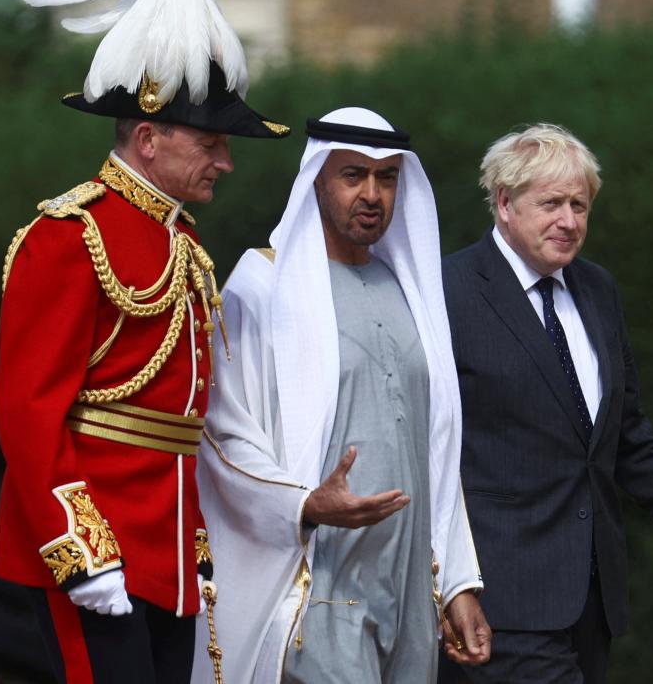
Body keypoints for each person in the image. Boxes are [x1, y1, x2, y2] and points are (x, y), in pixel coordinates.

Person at [0, 0, 289, 684]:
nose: (226, 161)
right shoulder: (67, 235)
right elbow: (28, 412)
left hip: (169, 552)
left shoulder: (179, 244)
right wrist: (79, 549)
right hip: (95, 549)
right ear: (148, 138)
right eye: (210, 143)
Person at [192, 107, 491, 684]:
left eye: (387, 178)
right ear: (317, 181)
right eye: (353, 175)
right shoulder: (262, 286)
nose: (372, 193)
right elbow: (223, 432)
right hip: (317, 586)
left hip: (407, 593)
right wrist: (302, 503)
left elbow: (438, 448)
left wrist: (456, 583)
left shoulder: (410, 291)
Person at [438, 123, 653, 684]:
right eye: (551, 204)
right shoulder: (447, 290)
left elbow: (624, 429)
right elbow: (426, 447)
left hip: (592, 599)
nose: (569, 221)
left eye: (580, 205)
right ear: (503, 203)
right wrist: (449, 583)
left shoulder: (596, 289)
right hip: (500, 599)